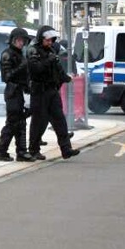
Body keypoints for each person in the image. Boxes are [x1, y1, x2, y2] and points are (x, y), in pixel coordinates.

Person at [26, 26, 79, 161]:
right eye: (48, 40)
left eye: (52, 40)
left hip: (52, 90)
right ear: (41, 38)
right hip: (39, 91)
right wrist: (48, 60)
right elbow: (35, 69)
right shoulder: (33, 51)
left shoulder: (50, 51)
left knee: (60, 120)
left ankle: (66, 149)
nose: (50, 43)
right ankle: (33, 150)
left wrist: (66, 78)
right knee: (38, 122)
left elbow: (58, 69)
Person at [0, 27, 33, 162]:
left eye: (23, 41)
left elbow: (24, 76)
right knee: (12, 123)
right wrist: (22, 67)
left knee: (21, 122)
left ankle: (21, 152)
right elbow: (7, 77)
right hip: (12, 92)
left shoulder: (20, 55)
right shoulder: (7, 54)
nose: (21, 43)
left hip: (19, 92)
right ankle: (2, 151)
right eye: (18, 40)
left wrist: (28, 85)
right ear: (13, 40)